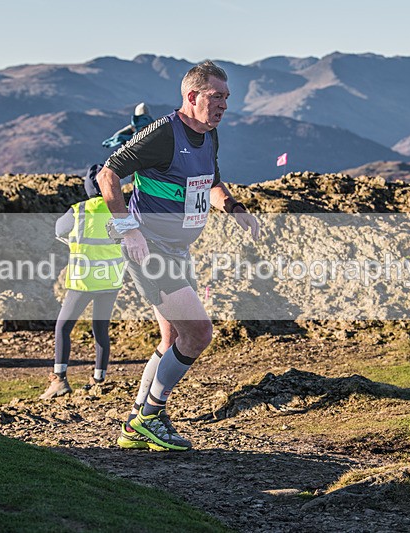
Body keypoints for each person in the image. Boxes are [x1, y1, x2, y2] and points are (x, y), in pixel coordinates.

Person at [97, 60, 260, 451]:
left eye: (227, 97)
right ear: (192, 95)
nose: (223, 105)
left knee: (172, 336)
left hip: (178, 250)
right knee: (198, 332)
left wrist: (235, 209)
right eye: (216, 96)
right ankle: (150, 417)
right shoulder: (163, 133)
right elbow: (107, 175)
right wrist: (128, 228)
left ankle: (136, 423)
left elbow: (211, 183)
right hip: (149, 249)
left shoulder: (209, 133)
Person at [39, 169, 125, 399]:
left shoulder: (79, 210)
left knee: (63, 327)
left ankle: (59, 380)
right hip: (111, 279)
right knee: (100, 329)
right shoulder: (121, 210)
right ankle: (98, 380)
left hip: (83, 281)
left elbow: (59, 230)